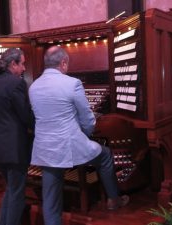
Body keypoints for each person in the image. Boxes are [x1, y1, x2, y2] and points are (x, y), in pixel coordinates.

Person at [29, 46, 129, 225]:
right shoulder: (72, 83)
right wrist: (87, 133)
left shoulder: (34, 86)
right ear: (63, 63)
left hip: (46, 148)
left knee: (50, 194)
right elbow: (87, 118)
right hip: (69, 145)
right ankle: (114, 199)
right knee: (105, 155)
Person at [0, 48, 34, 225]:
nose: (24, 68)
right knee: (17, 192)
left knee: (11, 189)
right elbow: (25, 115)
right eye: (22, 63)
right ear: (13, 64)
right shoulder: (16, 83)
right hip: (14, 146)